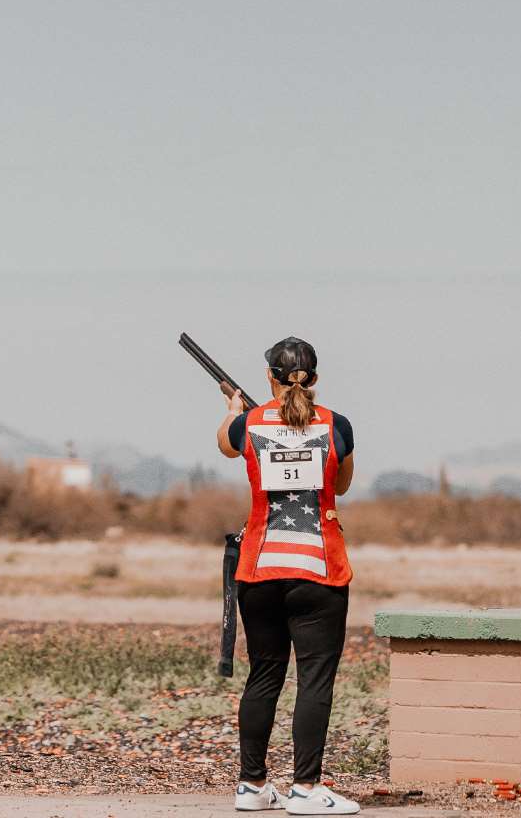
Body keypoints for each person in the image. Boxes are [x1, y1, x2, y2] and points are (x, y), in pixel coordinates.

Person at [217, 337, 358, 815]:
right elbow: (341, 483)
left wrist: (235, 408)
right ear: (314, 379)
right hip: (318, 569)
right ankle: (306, 788)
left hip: (259, 568)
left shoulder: (248, 424)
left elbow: (225, 444)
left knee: (264, 674)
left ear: (269, 378)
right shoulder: (337, 425)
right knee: (314, 679)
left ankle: (252, 786)